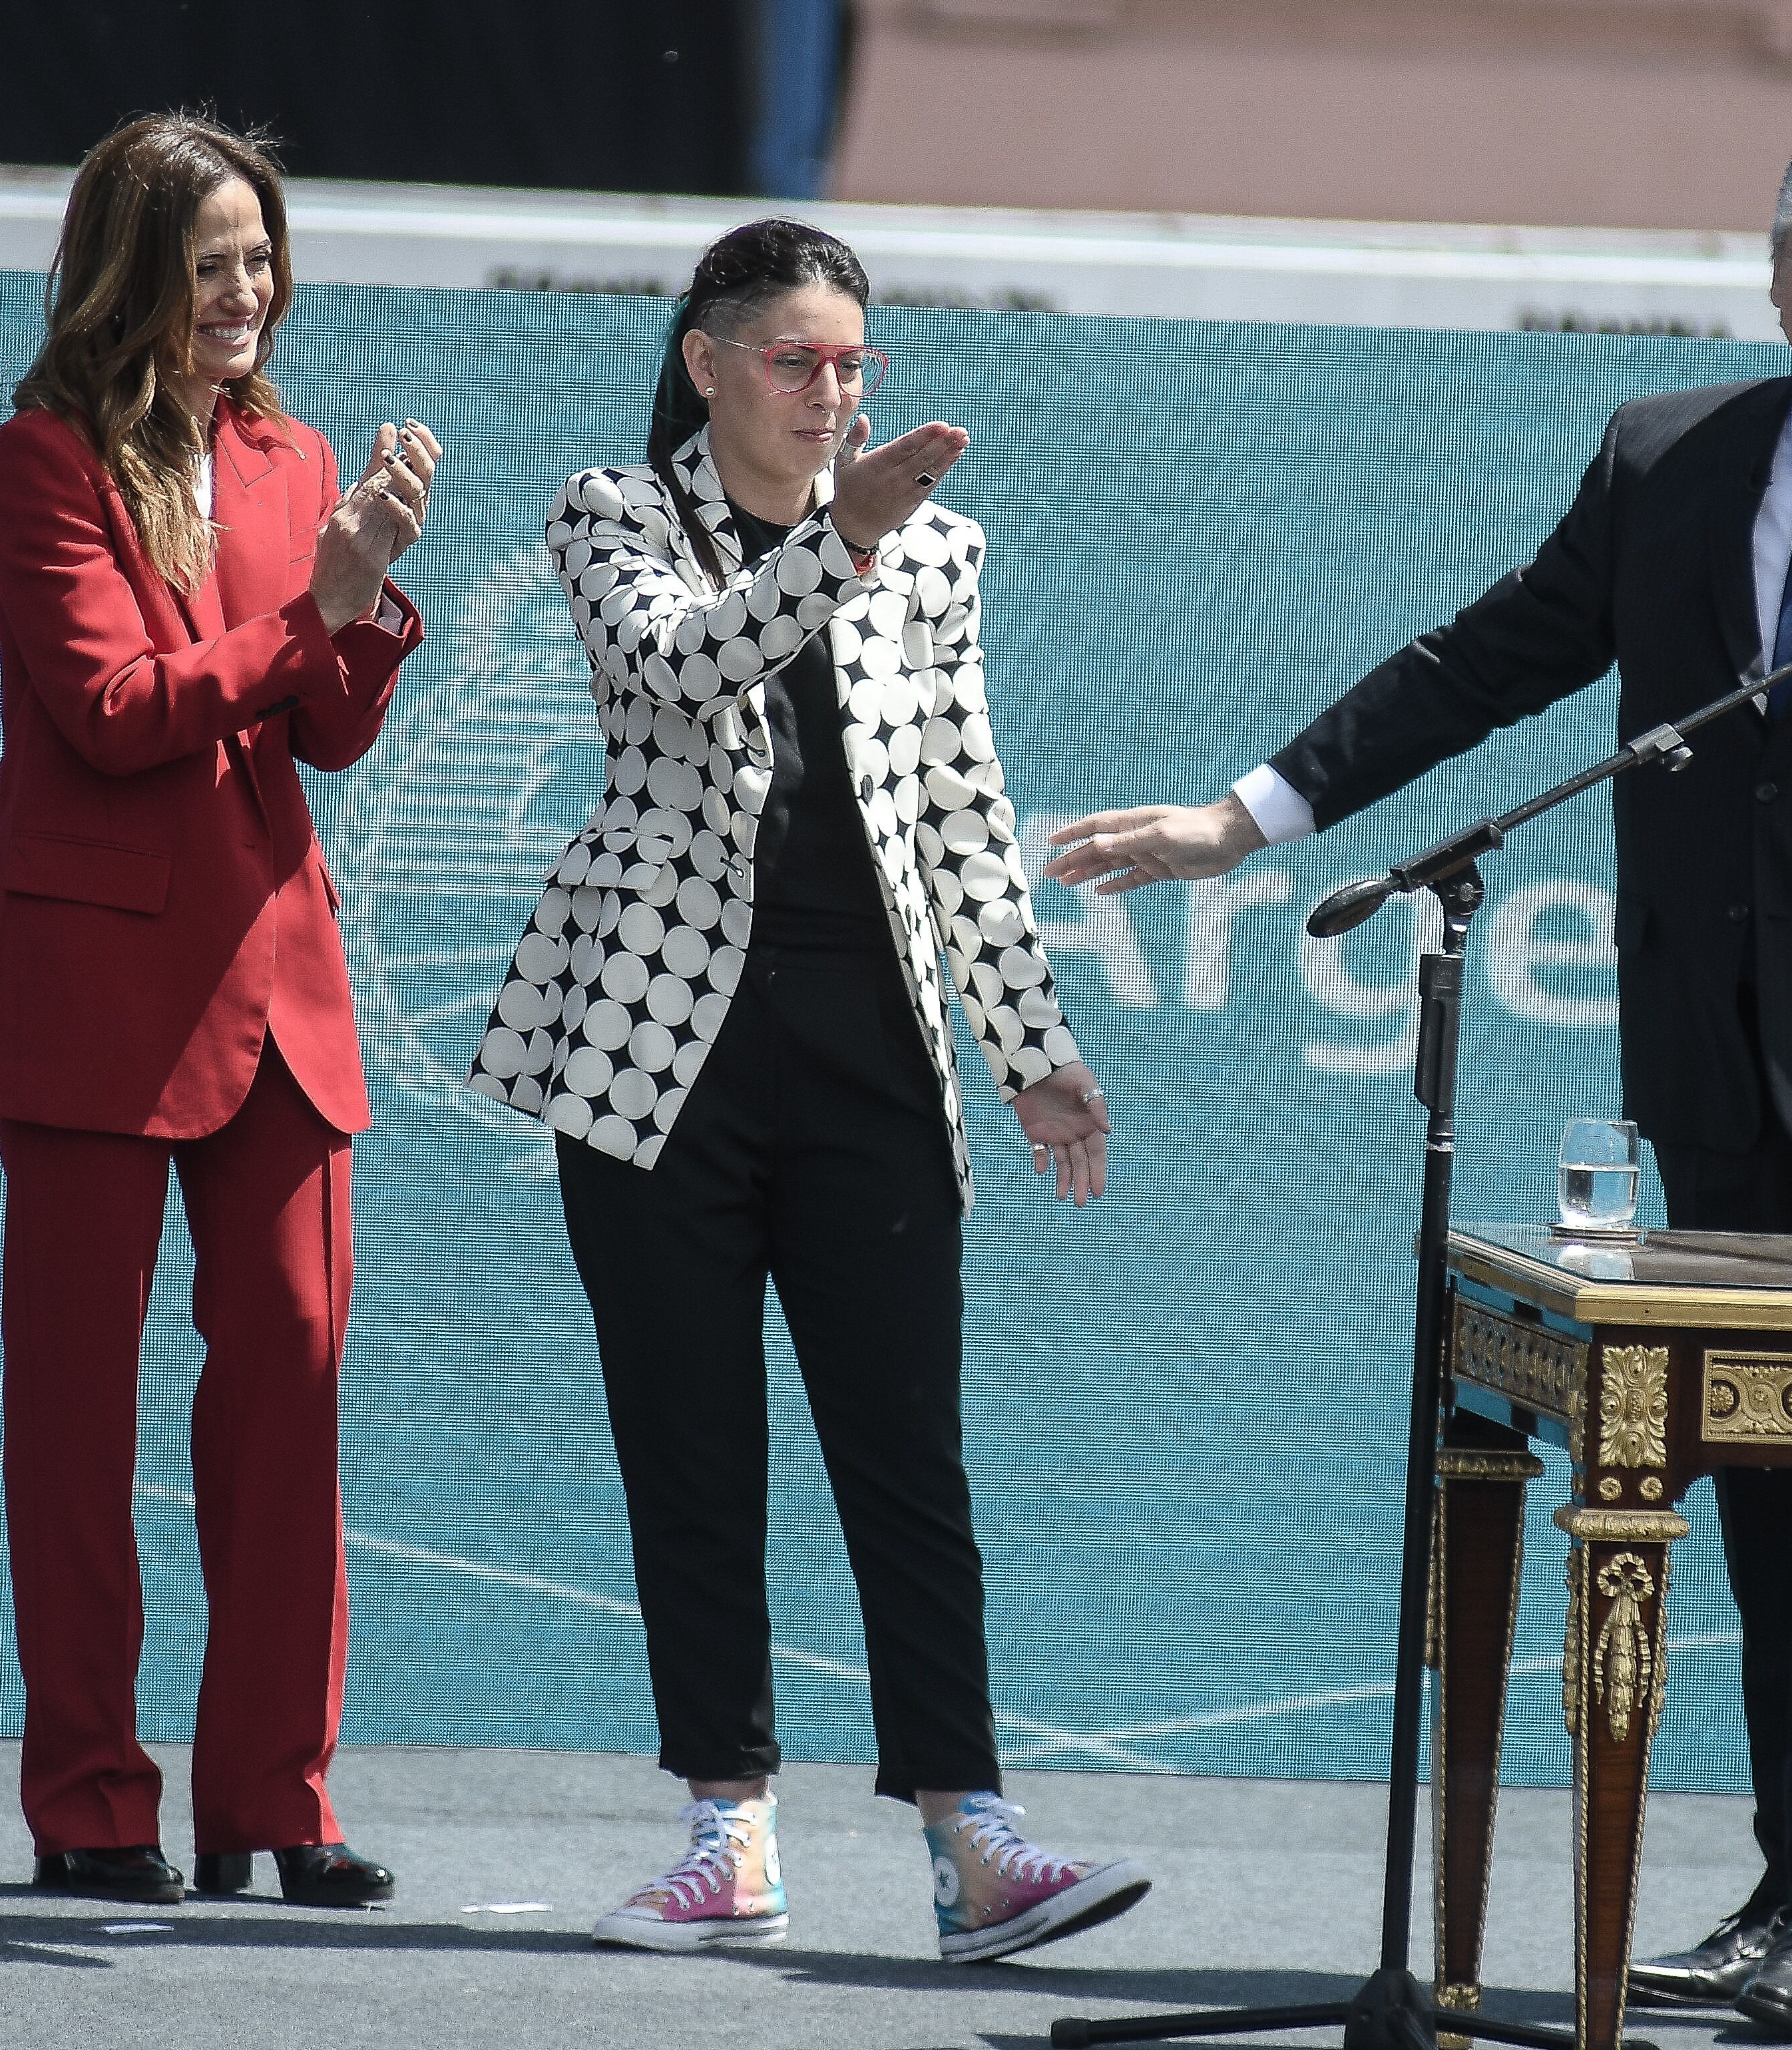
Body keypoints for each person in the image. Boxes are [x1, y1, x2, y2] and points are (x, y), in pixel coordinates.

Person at [1046, 122, 1792, 2041]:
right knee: (1755, 1487)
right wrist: (1248, 818)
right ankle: (1776, 1886)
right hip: (1711, 1058)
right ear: (1772, 270)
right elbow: (1490, 657)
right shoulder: (1669, 460)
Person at [470, 218, 1147, 1965]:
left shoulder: (940, 548)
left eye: (850, 364)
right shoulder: (612, 513)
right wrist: (839, 540)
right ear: (706, 362)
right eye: (793, 359)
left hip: (868, 1057)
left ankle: (969, 1833)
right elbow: (683, 674)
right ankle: (726, 1830)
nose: (828, 393)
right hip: (658, 1054)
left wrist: (1031, 1051)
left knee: (904, 1451)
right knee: (689, 1451)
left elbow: (964, 814)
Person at [0, 113, 431, 1911]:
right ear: (130, 271)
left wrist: (366, 609)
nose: (246, 292)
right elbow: (107, 708)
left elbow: (315, 730)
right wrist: (306, 613)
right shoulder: (41, 457)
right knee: (77, 1419)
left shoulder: (291, 450)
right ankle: (92, 1802)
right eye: (213, 260)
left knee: (292, 1391)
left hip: (279, 985)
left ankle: (275, 1799)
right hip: (99, 995)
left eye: (261, 259)